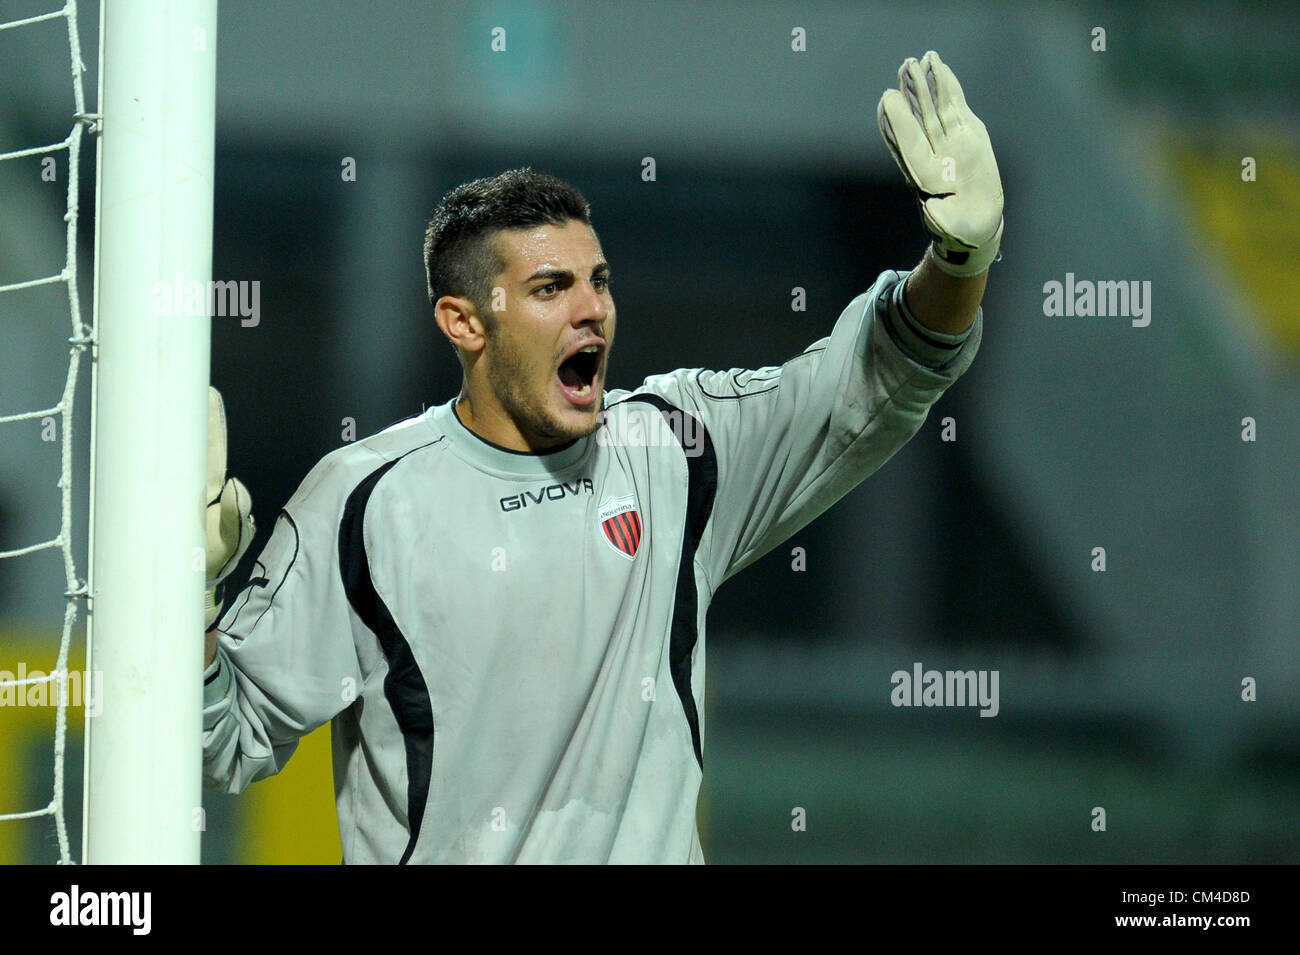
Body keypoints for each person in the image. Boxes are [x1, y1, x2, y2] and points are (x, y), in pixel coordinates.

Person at [201, 50, 1003, 864]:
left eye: (600, 281)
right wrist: (188, 601)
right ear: (464, 322)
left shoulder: (674, 449)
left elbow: (881, 372)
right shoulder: (365, 502)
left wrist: (960, 262)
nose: (594, 310)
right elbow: (227, 738)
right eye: (552, 288)